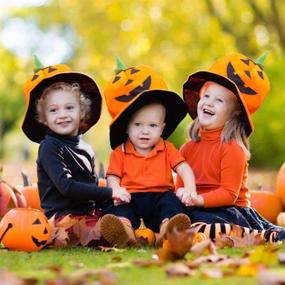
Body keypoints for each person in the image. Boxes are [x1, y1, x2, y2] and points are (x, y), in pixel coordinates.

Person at [176, 53, 285, 242]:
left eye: (219, 100)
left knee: (205, 225)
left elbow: (228, 194)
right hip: (195, 208)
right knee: (174, 215)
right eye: (207, 95)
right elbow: (179, 186)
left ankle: (259, 235)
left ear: (235, 113)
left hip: (228, 210)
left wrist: (198, 200)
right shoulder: (186, 149)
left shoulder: (232, 148)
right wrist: (182, 195)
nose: (209, 102)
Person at [21, 62, 130, 247]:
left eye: (69, 108)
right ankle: (112, 234)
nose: (62, 115)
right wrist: (110, 192)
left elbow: (92, 185)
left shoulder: (86, 147)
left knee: (121, 211)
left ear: (82, 112)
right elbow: (67, 187)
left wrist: (112, 201)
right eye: (53, 110)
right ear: (44, 118)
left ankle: (128, 229)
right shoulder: (49, 147)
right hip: (61, 218)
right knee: (86, 229)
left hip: (87, 214)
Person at [100, 62, 197, 248]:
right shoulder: (119, 152)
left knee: (172, 205)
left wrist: (190, 190)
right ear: (127, 127)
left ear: (162, 128)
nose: (145, 131)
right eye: (138, 125)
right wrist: (116, 190)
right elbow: (112, 177)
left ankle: (168, 230)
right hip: (130, 196)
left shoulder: (167, 148)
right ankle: (124, 232)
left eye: (152, 126)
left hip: (160, 196)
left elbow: (184, 168)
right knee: (117, 208)